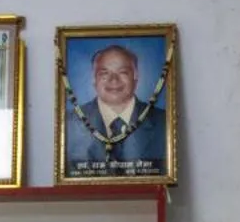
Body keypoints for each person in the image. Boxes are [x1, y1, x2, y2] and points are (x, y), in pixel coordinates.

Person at [64, 44, 168, 172]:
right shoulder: (69, 123)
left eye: (123, 72)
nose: (114, 80)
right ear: (94, 79)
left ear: (136, 76)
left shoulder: (164, 123)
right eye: (104, 73)